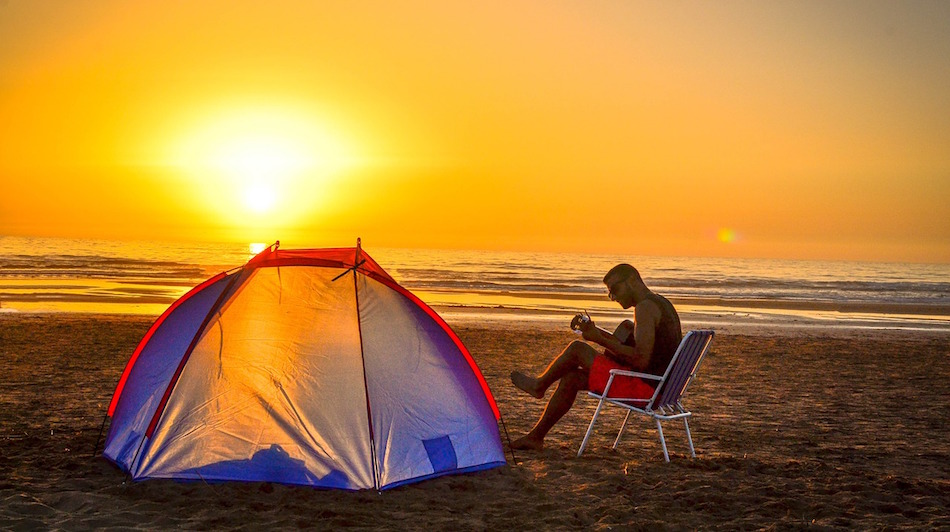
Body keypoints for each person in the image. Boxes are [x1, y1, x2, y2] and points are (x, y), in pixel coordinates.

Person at [509, 263, 682, 451]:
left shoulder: (645, 308)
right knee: (572, 378)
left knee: (577, 350)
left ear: (632, 280)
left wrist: (598, 339)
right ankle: (535, 438)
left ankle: (539, 386)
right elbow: (635, 349)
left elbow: (640, 359)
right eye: (609, 293)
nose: (613, 297)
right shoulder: (661, 303)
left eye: (615, 289)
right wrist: (595, 332)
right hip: (662, 389)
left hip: (647, 391)